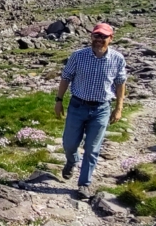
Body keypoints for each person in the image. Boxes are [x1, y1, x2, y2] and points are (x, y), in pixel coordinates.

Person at [54, 22, 127, 198]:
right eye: (96, 35)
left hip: (101, 109)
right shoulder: (78, 56)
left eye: (103, 36)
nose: (99, 39)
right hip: (77, 105)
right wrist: (58, 100)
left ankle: (84, 184)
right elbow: (66, 77)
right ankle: (72, 160)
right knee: (69, 144)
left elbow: (120, 83)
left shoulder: (117, 59)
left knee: (92, 148)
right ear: (91, 36)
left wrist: (119, 108)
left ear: (111, 38)